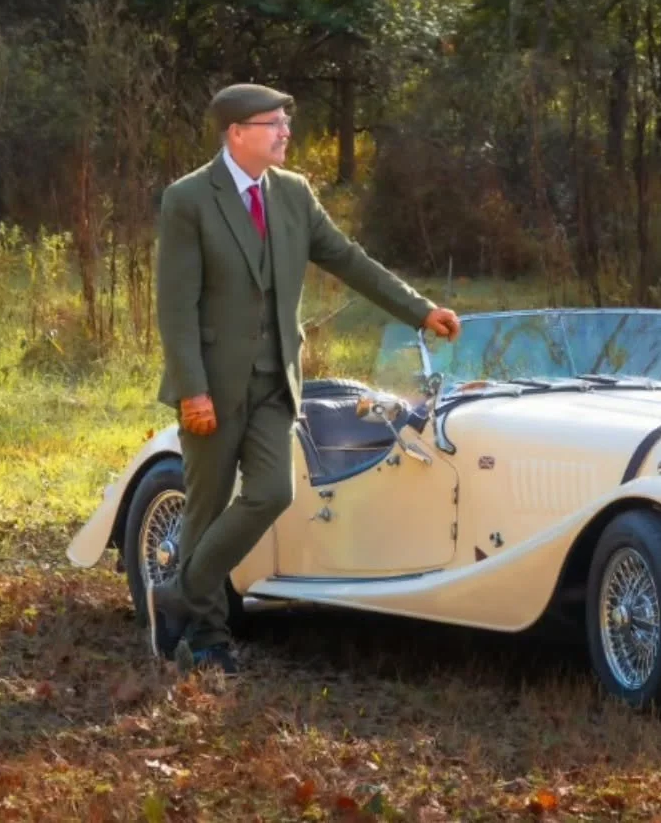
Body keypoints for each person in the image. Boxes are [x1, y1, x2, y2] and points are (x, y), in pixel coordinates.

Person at [147, 82, 460, 674]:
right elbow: (175, 307)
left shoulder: (293, 194)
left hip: (275, 384)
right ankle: (209, 639)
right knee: (207, 509)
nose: (286, 133)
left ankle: (176, 595)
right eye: (273, 124)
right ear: (236, 133)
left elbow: (347, 258)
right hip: (211, 385)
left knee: (273, 492)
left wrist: (419, 309)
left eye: (286, 122)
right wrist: (193, 389)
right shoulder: (188, 200)